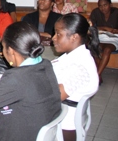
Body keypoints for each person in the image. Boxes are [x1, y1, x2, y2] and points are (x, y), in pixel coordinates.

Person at [0, 22, 61, 141]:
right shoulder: (45, 64)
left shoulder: (17, 78)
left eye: (3, 47)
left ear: (11, 51)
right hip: (34, 129)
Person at [51, 13, 100, 141]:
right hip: (63, 113)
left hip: (64, 122)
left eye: (58, 34)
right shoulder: (72, 55)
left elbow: (53, 97)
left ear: (74, 37)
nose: (53, 38)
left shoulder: (80, 67)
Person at [89, 0, 118, 83]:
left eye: (105, 5)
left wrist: (115, 31)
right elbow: (91, 27)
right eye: (100, 6)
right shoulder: (95, 12)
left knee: (107, 50)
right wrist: (105, 28)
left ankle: (96, 75)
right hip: (99, 38)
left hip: (113, 39)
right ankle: (98, 76)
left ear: (110, 5)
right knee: (96, 49)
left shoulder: (117, 12)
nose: (103, 8)